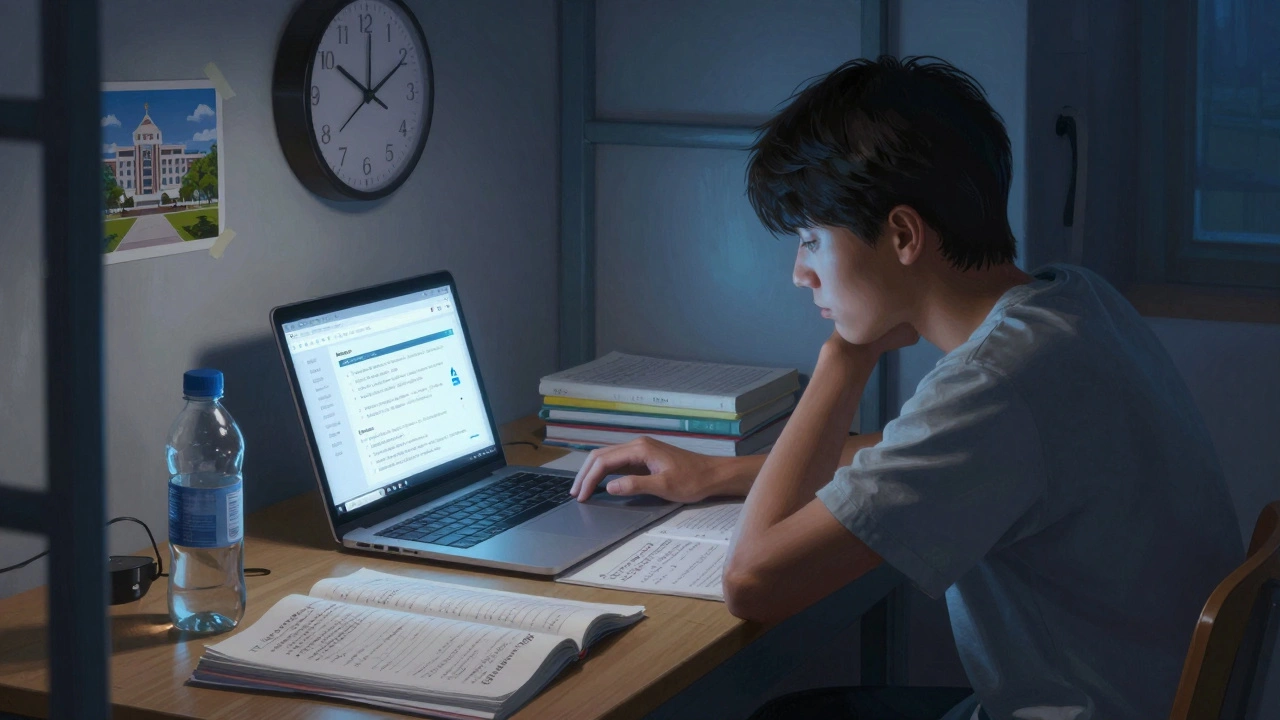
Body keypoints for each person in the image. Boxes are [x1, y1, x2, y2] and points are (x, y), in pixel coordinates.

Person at [568, 55, 1244, 720]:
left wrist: (843, 359)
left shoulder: (995, 384)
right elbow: (909, 457)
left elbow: (752, 581)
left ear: (901, 234)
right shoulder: (1073, 301)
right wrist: (718, 474)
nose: (799, 275)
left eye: (809, 241)